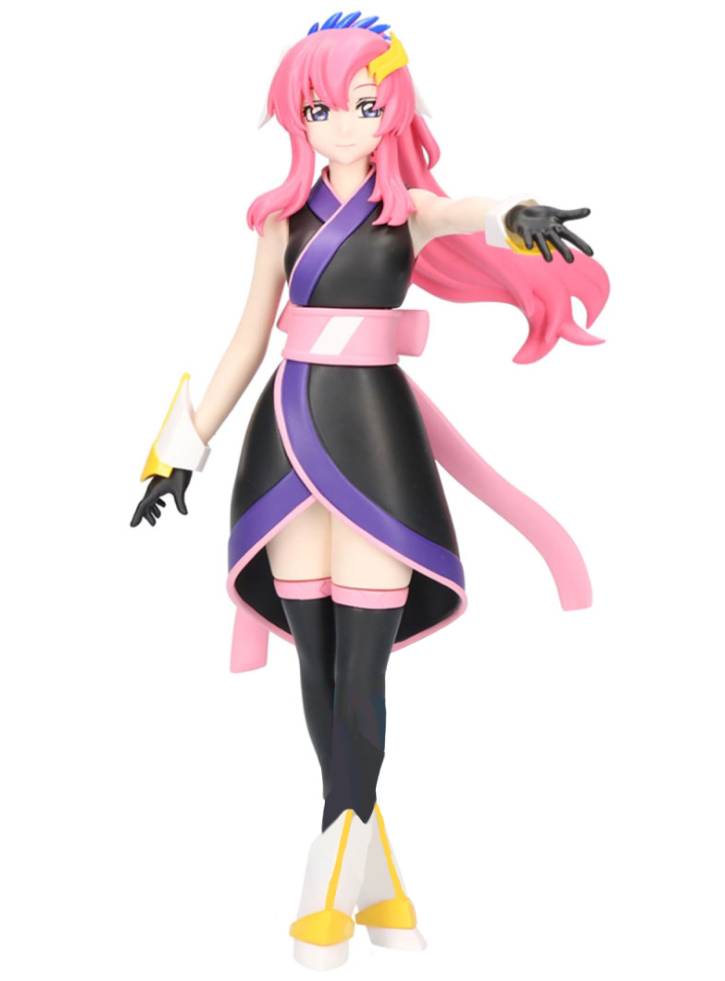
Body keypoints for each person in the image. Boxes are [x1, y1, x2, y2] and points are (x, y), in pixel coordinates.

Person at [130, 12, 609, 971]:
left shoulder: (404, 210)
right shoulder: (278, 219)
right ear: (295, 117)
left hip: (373, 442)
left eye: (360, 104)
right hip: (284, 439)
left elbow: (464, 210)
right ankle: (377, 878)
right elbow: (247, 338)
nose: (341, 126)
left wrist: (514, 212)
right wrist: (177, 450)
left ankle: (326, 884)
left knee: (363, 669)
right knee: (315, 662)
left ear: (390, 106)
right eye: (319, 109)